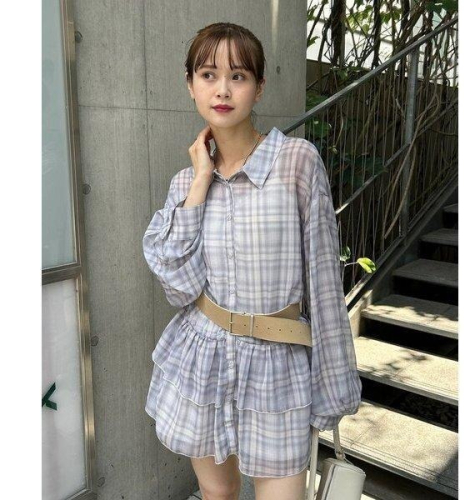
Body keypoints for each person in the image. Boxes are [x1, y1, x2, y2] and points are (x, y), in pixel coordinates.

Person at [142, 22, 362, 500]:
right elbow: (178, 287)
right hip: (204, 359)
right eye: (208, 75)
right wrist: (201, 181)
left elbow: (324, 283)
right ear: (190, 84)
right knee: (218, 494)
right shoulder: (185, 184)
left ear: (259, 87)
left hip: (276, 366)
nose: (222, 90)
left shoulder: (296, 162)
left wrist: (333, 389)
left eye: (238, 76)